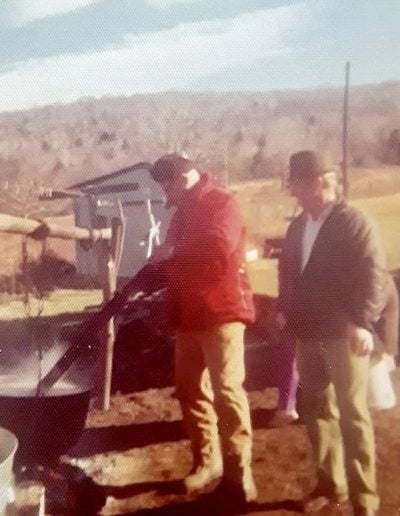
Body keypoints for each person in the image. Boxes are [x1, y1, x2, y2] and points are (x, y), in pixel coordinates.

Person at [277, 150, 386, 515]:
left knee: (353, 416)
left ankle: (364, 500)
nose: (292, 191)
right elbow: (288, 273)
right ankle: (330, 485)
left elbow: (374, 275)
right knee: (317, 410)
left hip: (344, 335)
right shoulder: (298, 226)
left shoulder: (354, 223)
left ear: (319, 182)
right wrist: (284, 309)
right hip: (308, 334)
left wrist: (363, 322)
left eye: (296, 183)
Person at [148, 153, 257, 506]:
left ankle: (239, 479)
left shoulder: (223, 203)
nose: (166, 195)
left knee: (227, 393)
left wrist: (172, 251)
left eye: (167, 187)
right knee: (190, 390)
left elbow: (218, 245)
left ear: (183, 179)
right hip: (189, 318)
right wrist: (159, 266)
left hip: (222, 314)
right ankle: (207, 463)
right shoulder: (180, 213)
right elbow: (176, 262)